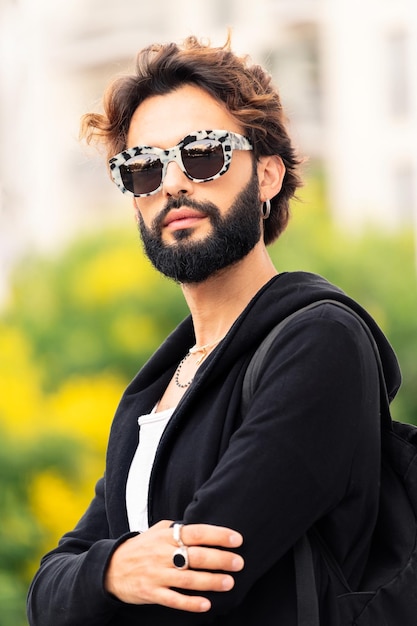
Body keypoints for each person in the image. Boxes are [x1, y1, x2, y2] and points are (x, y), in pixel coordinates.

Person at [27, 35, 401, 626]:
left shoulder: (319, 344)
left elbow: (205, 584)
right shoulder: (155, 393)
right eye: (143, 168)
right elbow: (45, 594)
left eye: (203, 155)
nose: (173, 184)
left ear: (269, 175)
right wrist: (114, 570)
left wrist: (100, 578)